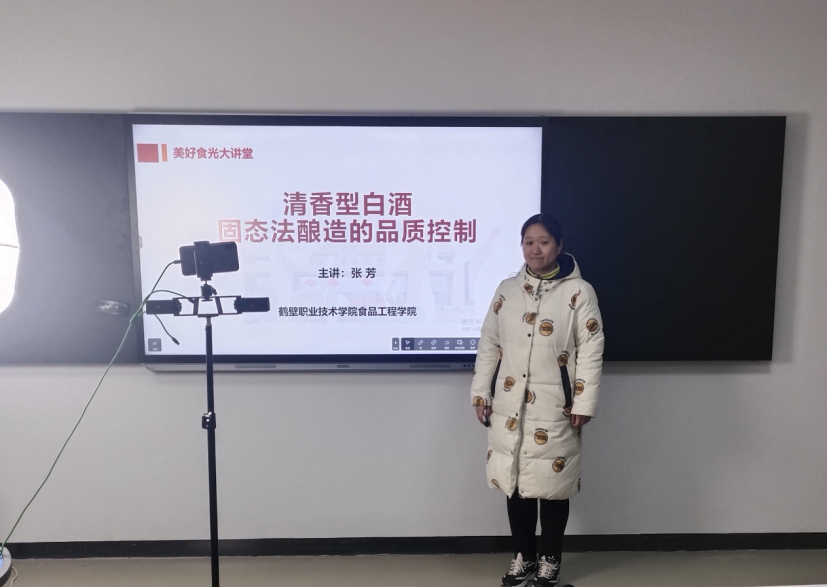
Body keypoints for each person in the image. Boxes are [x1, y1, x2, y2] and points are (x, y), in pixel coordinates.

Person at [471, 213, 604, 587]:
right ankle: (523, 556)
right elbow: (489, 344)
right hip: (509, 404)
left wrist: (584, 402)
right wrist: (481, 392)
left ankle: (550, 560)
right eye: (528, 242)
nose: (535, 249)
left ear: (558, 246)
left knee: (553, 485)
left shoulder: (579, 292)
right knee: (516, 482)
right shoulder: (507, 291)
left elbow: (591, 349)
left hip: (555, 406)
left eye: (544, 242)